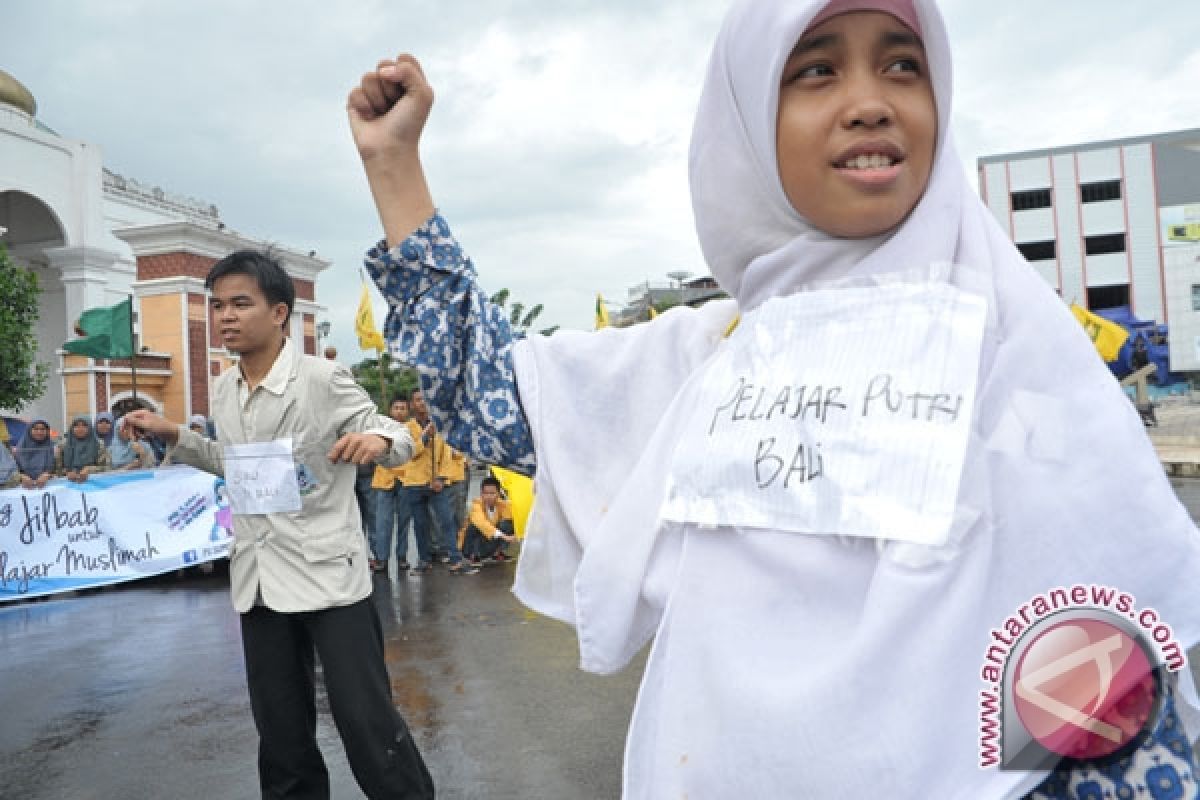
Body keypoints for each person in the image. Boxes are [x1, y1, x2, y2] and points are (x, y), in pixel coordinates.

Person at [349, 1, 1200, 797]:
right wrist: (394, 166)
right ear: (746, 121)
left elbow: (1103, 664)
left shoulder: (1020, 355)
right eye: (817, 71)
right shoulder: (708, 356)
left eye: (903, 66)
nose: (870, 102)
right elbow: (488, 397)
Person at [124, 250, 433, 799]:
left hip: (328, 579)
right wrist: (175, 433)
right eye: (217, 305)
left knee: (367, 725)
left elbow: (396, 433)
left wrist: (380, 440)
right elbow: (236, 465)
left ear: (280, 312)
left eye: (241, 303)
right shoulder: (225, 387)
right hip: (260, 578)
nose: (226, 317)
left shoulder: (321, 378)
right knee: (282, 735)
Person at [397, 389, 476, 576]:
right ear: (412, 405)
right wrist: (424, 436)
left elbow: (446, 454)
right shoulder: (405, 428)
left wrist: (441, 478)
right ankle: (424, 560)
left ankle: (455, 559)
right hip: (414, 482)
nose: (422, 403)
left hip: (436, 482)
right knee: (420, 524)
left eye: (424, 399)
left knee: (447, 521)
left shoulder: (439, 425)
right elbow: (410, 452)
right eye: (417, 400)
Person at [369, 397, 416, 573]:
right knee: (383, 521)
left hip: (406, 479)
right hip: (384, 479)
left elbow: (417, 449)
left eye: (403, 408)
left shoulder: (412, 428)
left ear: (408, 410)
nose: (399, 411)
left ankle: (402, 556)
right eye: (396, 407)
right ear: (390, 410)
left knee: (404, 520)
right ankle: (382, 558)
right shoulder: (381, 425)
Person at [460, 476, 514, 566]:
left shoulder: (503, 505)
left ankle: (497, 554)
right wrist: (504, 536)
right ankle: (473, 556)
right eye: (485, 493)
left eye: (492, 493)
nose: (488, 496)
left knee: (508, 523)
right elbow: (481, 523)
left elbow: (508, 521)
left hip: (488, 542)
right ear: (481, 494)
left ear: (498, 493)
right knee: (474, 526)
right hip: (470, 545)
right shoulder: (476, 504)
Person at [56, 415, 111, 483]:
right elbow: (57, 470)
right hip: (69, 487)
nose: (80, 428)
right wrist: (67, 472)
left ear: (90, 428)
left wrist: (89, 469)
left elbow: (107, 467)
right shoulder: (63, 445)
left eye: (85, 425)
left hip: (93, 485)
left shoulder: (98, 444)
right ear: (72, 428)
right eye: (76, 425)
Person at [14, 419, 56, 489]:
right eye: (36, 429)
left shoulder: (53, 448)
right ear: (29, 430)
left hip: (48, 487)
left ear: (47, 431)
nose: (39, 432)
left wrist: (47, 474)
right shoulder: (19, 448)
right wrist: (21, 476)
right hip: (23, 488)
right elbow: (12, 470)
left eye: (42, 429)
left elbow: (59, 469)